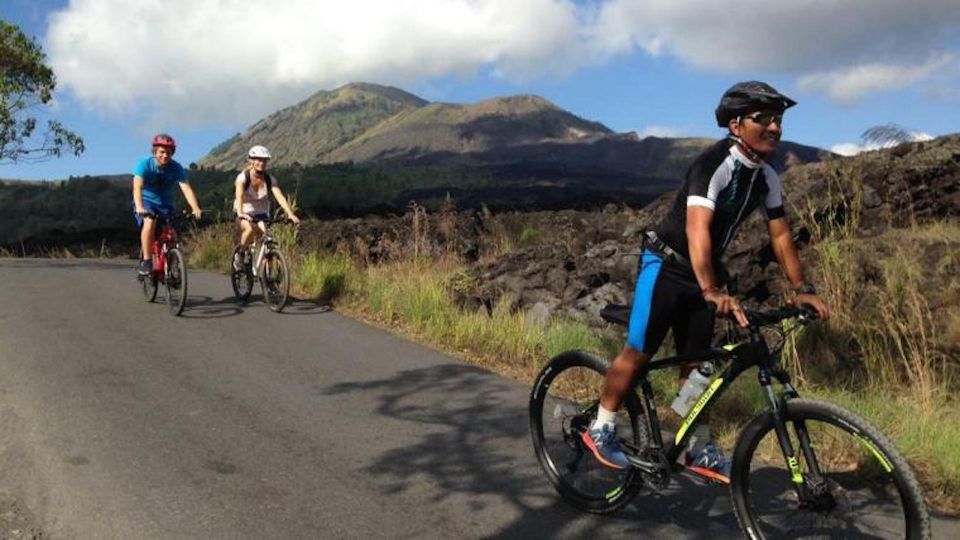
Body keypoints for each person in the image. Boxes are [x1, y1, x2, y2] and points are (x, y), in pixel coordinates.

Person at [582, 81, 830, 480]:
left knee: (697, 366)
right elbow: (698, 229)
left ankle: (695, 447)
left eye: (778, 119)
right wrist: (711, 289)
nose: (774, 127)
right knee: (639, 351)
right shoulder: (715, 164)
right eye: (762, 118)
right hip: (667, 266)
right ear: (736, 125)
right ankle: (603, 427)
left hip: (704, 274)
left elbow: (780, 235)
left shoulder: (767, 177)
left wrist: (803, 290)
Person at [133, 134, 202, 277]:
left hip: (165, 205)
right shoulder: (144, 165)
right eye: (161, 152)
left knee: (172, 234)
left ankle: (173, 268)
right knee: (150, 221)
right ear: (154, 152)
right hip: (146, 202)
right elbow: (137, 187)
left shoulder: (176, 168)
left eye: (168, 153)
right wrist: (140, 207)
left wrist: (195, 208)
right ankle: (146, 261)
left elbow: (186, 189)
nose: (165, 155)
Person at [232, 145, 300, 269]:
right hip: (243, 211)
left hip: (261, 214)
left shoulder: (270, 179)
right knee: (250, 230)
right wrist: (241, 213)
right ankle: (240, 254)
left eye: (264, 160)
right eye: (258, 159)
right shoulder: (243, 177)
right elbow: (239, 196)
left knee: (267, 239)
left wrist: (290, 214)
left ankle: (267, 273)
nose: (261, 163)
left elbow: (280, 197)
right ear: (251, 161)